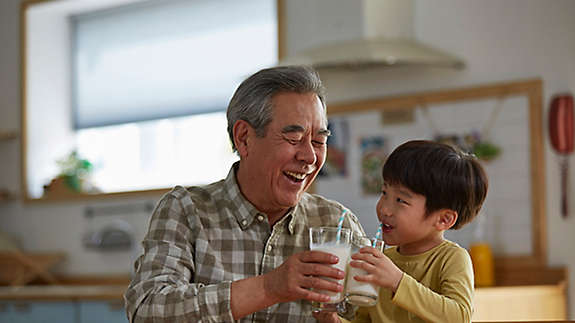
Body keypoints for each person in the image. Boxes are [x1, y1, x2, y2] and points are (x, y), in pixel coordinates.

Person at [124, 65, 365, 322]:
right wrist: (268, 288)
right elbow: (148, 309)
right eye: (294, 139)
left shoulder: (337, 223)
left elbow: (376, 314)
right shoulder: (186, 209)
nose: (309, 156)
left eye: (319, 141)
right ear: (244, 138)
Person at [315, 140, 488, 323]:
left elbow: (459, 317)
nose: (384, 209)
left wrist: (397, 281)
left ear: (443, 219)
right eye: (384, 193)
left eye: (401, 200)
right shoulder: (383, 261)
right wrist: (335, 321)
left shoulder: (452, 259)